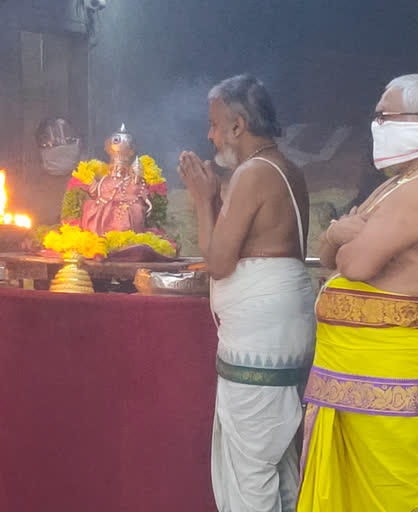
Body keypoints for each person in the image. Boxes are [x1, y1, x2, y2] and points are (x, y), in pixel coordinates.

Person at [298, 74, 418, 512]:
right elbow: (330, 252)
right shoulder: (397, 184)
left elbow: (355, 264)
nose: (376, 126)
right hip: (350, 374)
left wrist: (343, 238)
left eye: (384, 116)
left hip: (389, 375)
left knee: (399, 499)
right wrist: (339, 231)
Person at [178, 74, 316, 512]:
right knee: (277, 460)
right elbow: (246, 244)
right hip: (284, 334)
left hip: (260, 344)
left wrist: (202, 199)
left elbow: (219, 262)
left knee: (251, 466)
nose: (210, 134)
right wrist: (216, 200)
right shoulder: (286, 169)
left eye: (215, 124)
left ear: (239, 127)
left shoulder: (252, 172)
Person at [25, 117, 83, 226]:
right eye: (54, 144)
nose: (62, 148)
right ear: (40, 149)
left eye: (69, 141)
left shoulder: (94, 184)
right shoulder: (28, 189)